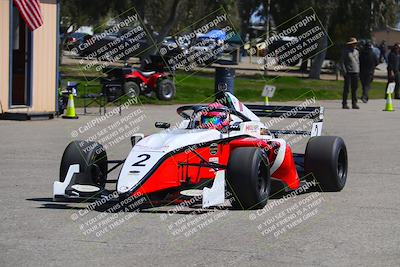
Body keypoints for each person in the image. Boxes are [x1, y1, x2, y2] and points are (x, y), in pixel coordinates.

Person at [341, 37, 360, 109]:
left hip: (356, 71)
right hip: (348, 72)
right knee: (347, 88)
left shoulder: (356, 51)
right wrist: (344, 71)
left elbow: (358, 62)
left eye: (355, 43)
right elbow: (342, 62)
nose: (355, 45)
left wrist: (358, 70)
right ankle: (344, 103)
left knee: (355, 88)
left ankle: (354, 103)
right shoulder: (345, 51)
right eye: (353, 43)